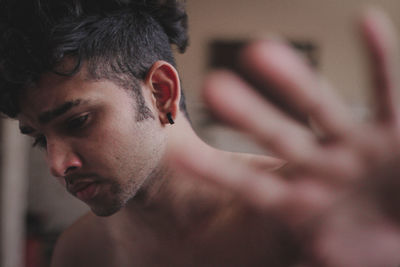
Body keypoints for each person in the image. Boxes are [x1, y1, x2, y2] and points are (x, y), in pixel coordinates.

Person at [0, 0, 399, 266]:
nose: (56, 164)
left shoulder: (298, 211)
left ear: (161, 92)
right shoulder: (80, 252)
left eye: (78, 121)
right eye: (39, 137)